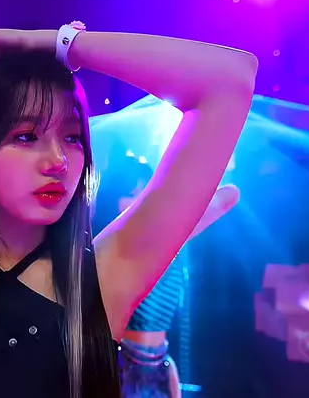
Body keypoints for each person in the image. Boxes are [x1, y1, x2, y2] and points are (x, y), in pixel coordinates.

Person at [0, 25, 258, 398]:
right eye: (26, 136)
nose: (58, 160)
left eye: (72, 137)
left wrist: (62, 43)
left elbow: (231, 79)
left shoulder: (103, 277)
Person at [93, 155, 240, 398]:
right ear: (113, 198)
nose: (139, 204)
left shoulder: (167, 243)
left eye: (145, 196)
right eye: (131, 194)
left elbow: (229, 196)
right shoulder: (105, 252)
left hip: (159, 366)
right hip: (117, 366)